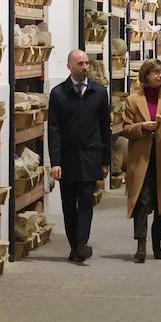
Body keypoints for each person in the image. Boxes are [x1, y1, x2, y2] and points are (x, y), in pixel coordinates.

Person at [48, 49, 111, 265]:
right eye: (80, 64)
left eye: (86, 63)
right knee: (68, 205)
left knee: (85, 202)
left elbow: (105, 127)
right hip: (67, 158)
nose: (85, 67)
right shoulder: (58, 94)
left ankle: (82, 244)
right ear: (69, 67)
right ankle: (74, 245)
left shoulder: (99, 93)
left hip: (91, 156)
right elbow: (53, 129)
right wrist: (55, 162)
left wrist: (106, 160)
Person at [122, 59, 161, 263]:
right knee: (142, 200)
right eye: (155, 73)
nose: (159, 76)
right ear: (146, 75)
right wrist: (141, 127)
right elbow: (125, 128)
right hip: (141, 158)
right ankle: (141, 245)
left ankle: (158, 243)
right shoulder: (132, 99)